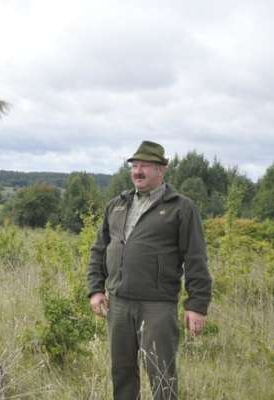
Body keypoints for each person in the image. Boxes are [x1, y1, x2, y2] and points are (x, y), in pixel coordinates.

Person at [87, 140, 212, 400]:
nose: (137, 171)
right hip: (118, 303)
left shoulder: (181, 207)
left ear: (161, 170)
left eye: (145, 166)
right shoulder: (117, 205)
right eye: (134, 165)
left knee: (161, 371)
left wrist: (197, 305)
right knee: (121, 371)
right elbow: (100, 248)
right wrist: (95, 289)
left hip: (157, 305)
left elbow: (196, 257)